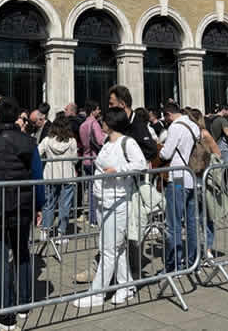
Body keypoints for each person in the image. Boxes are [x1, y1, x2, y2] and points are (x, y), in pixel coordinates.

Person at [0, 97, 45, 330]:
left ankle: (6, 310)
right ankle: (23, 302)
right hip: (23, 204)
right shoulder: (30, 142)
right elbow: (37, 176)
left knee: (0, 256)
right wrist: (39, 205)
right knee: (22, 251)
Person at [72, 107, 147, 308]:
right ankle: (126, 286)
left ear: (111, 123)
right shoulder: (107, 141)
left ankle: (98, 292)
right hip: (103, 199)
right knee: (116, 248)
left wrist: (118, 170)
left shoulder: (127, 142)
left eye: (104, 120)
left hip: (117, 200)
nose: (101, 123)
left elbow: (141, 164)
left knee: (108, 249)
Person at [159, 103, 200, 271]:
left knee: (174, 223)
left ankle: (174, 264)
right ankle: (192, 261)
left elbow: (166, 153)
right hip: (192, 176)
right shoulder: (193, 125)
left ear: (169, 114)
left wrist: (159, 150)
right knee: (191, 222)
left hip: (177, 177)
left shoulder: (175, 127)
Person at [38, 115, 78, 242]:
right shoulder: (72, 141)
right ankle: (61, 232)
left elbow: (37, 153)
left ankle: (45, 230)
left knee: (48, 204)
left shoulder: (47, 140)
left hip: (50, 175)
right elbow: (75, 159)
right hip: (67, 175)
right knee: (65, 205)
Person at [188, 109, 220, 259]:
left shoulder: (204, 134)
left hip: (203, 179)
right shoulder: (188, 133)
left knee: (205, 218)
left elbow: (217, 153)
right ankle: (196, 250)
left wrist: (207, 165)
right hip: (191, 178)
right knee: (194, 217)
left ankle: (207, 249)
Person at [108, 85, 158, 162]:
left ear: (122, 104)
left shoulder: (138, 124)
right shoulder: (118, 124)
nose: (109, 107)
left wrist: (127, 158)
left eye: (112, 104)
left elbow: (151, 151)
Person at [79, 100, 105, 226]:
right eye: (98, 109)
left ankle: (92, 217)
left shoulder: (83, 125)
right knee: (96, 189)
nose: (99, 111)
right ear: (93, 110)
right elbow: (100, 141)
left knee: (90, 189)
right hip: (94, 158)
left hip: (86, 158)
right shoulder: (94, 123)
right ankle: (95, 217)